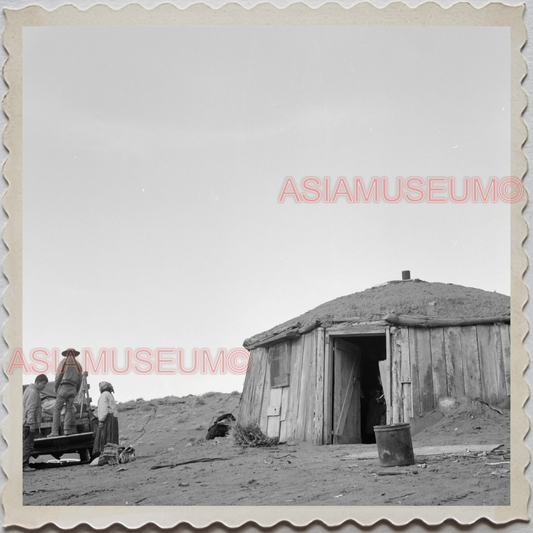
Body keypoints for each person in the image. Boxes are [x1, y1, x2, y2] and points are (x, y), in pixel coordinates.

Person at [49, 348, 83, 437]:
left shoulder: (64, 362)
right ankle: (66, 430)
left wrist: (56, 387)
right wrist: (77, 391)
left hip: (64, 387)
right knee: (69, 409)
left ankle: (55, 431)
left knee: (57, 410)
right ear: (75, 355)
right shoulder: (78, 365)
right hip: (73, 388)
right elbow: (80, 380)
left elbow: (59, 376)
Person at [23, 374, 49, 472]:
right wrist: (31, 423)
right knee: (27, 444)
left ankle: (24, 464)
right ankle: (24, 465)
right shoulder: (33, 392)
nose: (44, 386)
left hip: (26, 422)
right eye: (43, 384)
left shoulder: (30, 390)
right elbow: (31, 408)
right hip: (27, 423)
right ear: (37, 382)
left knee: (26, 444)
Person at [93, 381, 119, 457]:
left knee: (105, 438)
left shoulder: (103, 395)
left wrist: (101, 420)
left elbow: (103, 409)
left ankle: (105, 456)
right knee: (112, 438)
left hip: (107, 419)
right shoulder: (109, 395)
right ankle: (112, 455)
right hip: (113, 417)